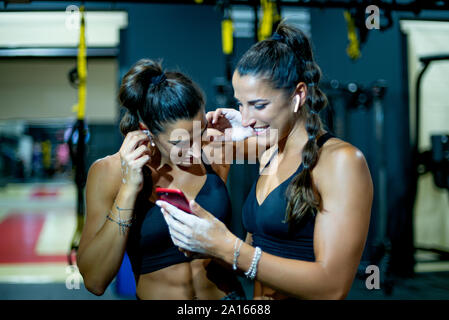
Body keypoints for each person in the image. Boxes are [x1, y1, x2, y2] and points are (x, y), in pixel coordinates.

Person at [157, 22, 374, 300]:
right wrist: (207, 243)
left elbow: (332, 287)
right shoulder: (269, 150)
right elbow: (185, 152)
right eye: (241, 104)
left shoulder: (342, 162)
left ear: (298, 95)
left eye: (258, 105)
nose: (246, 117)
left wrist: (227, 248)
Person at [76, 59, 244, 300]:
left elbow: (289, 145)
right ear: (147, 130)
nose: (197, 150)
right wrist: (128, 189)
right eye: (181, 142)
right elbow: (95, 280)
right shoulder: (109, 171)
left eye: (202, 131)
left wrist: (246, 126)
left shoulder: (214, 147)